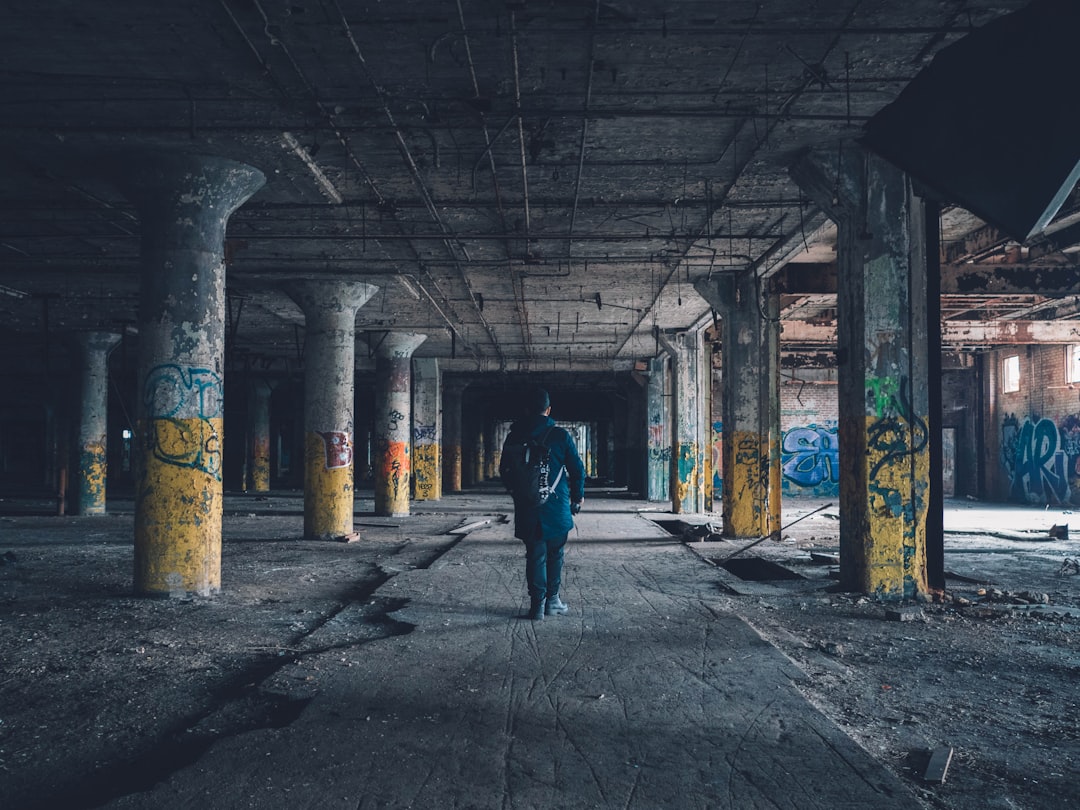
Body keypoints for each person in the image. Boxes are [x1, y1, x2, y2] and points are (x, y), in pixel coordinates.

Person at [499, 387, 585, 621]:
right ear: (548, 410)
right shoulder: (560, 436)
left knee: (535, 554)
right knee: (555, 553)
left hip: (528, 506)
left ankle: (537, 606)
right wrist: (577, 496)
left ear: (527, 410)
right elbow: (577, 470)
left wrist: (518, 492)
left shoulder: (514, 435)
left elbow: (504, 471)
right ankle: (552, 601)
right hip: (556, 507)